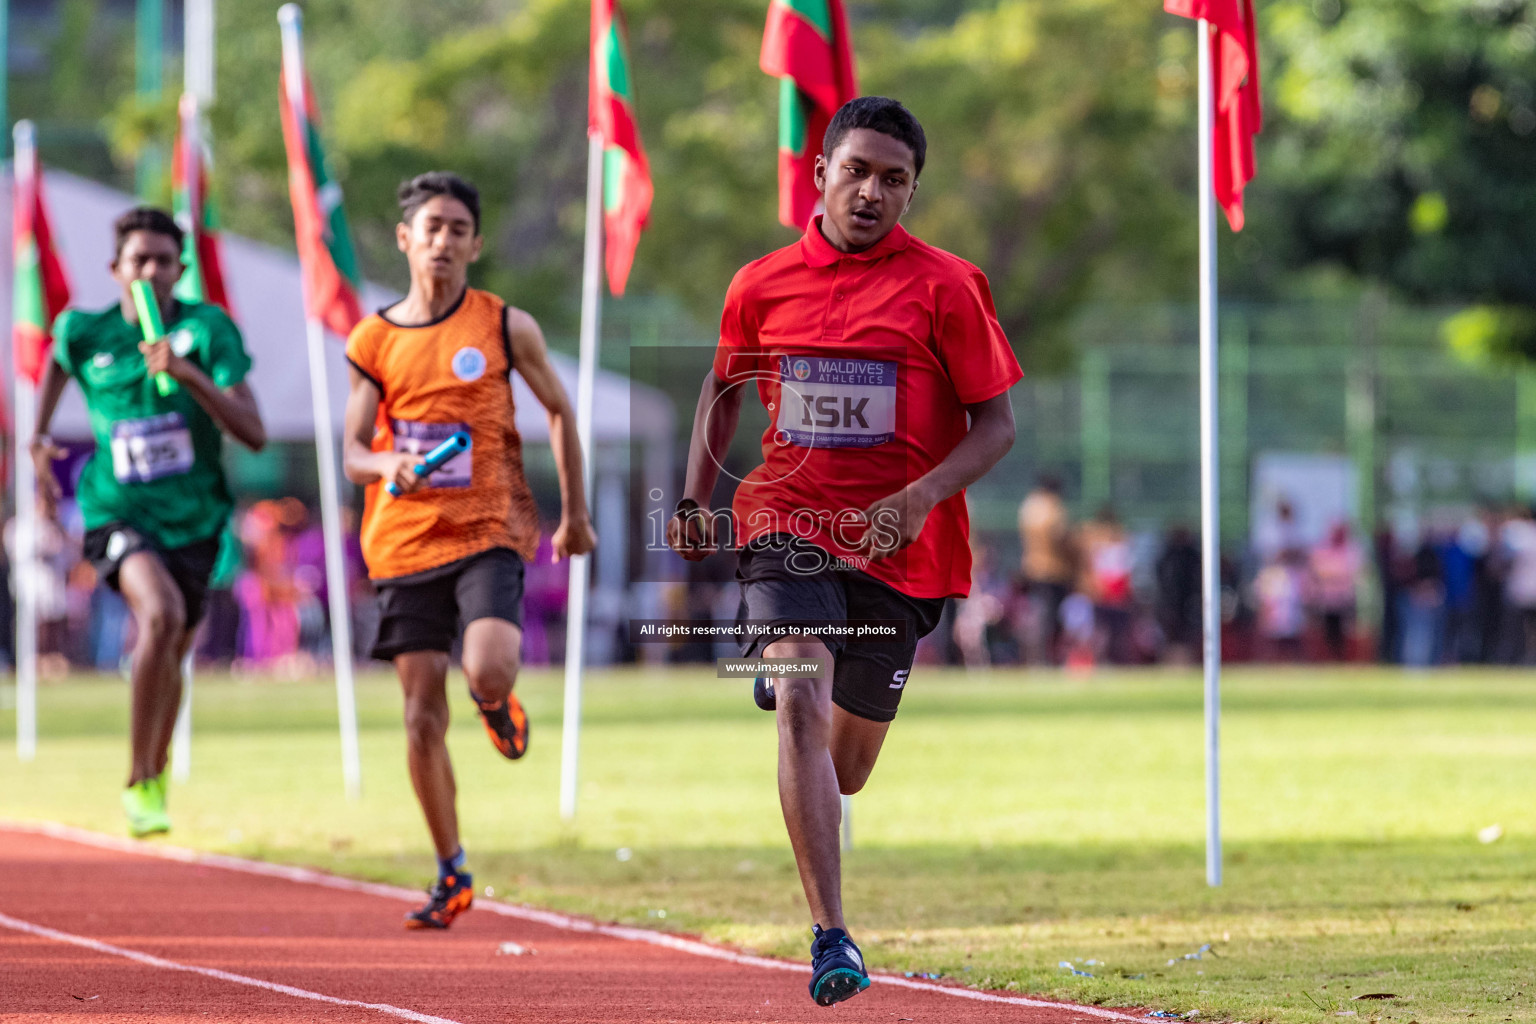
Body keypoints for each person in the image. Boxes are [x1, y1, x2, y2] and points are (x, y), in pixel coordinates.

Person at [666, 98, 1020, 1006]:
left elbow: (997, 425)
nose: (871, 191)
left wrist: (922, 494)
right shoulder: (761, 283)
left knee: (847, 765)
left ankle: (796, 680)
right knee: (797, 697)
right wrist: (699, 500)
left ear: (912, 191)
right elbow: (722, 381)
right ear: (819, 172)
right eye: (856, 170)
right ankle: (832, 937)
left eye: (893, 179)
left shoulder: (948, 286)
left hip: (902, 554)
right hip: (786, 524)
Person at [342, 172, 593, 930]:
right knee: (421, 718)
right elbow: (354, 450)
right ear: (405, 239)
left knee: (486, 665)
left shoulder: (505, 325)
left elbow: (559, 410)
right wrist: (390, 466)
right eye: (432, 226)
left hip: (489, 531)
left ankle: (494, 699)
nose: (444, 239)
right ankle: (451, 869)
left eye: (458, 228)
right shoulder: (374, 338)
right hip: (403, 542)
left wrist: (575, 513)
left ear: (475, 243)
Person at [30, 207, 266, 836]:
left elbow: (255, 433)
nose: (152, 271)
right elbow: (56, 361)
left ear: (180, 270)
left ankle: (155, 773)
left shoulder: (209, 331)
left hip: (196, 519)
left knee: (175, 644)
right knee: (156, 615)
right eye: (140, 260)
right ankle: (138, 776)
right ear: (116, 269)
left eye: (165, 260)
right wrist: (38, 435)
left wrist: (187, 375)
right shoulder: (86, 330)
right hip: (117, 510)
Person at [1017, 474, 1074, 664]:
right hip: (1054, 570)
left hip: (1031, 568)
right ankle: (1048, 659)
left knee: (1037, 615)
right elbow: (1061, 536)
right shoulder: (1054, 507)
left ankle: (1034, 657)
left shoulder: (1029, 506)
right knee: (1051, 619)